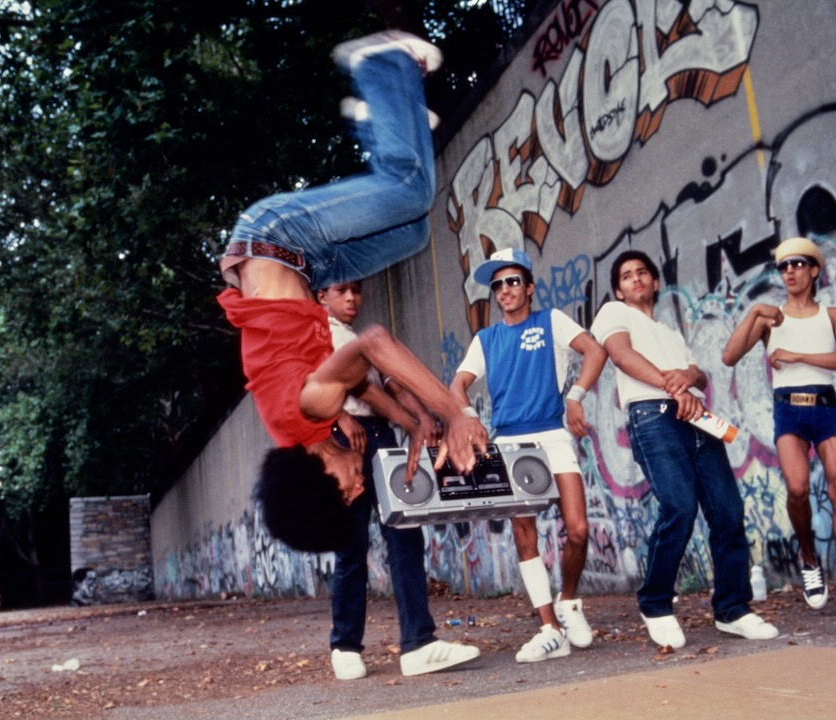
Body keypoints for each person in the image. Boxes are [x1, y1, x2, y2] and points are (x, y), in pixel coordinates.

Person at [216, 32, 486, 675]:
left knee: (411, 192)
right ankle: (384, 119)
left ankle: (380, 66)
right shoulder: (307, 424)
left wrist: (452, 410)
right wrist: (416, 420)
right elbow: (363, 378)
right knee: (414, 228)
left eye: (344, 489)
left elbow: (372, 343)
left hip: (276, 238)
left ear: (315, 477)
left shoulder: (305, 408)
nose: (358, 483)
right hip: (308, 267)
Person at [590, 250, 779, 649]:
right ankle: (655, 602)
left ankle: (732, 608)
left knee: (728, 511)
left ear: (656, 282)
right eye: (626, 276)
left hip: (698, 419)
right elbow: (622, 356)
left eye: (643, 272)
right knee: (678, 506)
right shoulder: (613, 314)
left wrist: (690, 377)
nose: (636, 279)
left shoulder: (673, 333)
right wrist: (675, 387)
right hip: (653, 416)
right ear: (619, 290)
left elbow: (702, 375)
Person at [449, 248, 607, 663]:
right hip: (509, 444)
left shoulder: (550, 320)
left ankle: (569, 602)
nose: (504, 290)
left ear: (529, 288)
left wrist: (575, 397)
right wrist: (468, 418)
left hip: (552, 433)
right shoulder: (486, 339)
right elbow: (457, 385)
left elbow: (595, 350)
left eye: (513, 281)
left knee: (577, 529)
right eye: (497, 284)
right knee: (525, 536)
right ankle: (549, 628)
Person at [318, 280, 479, 679]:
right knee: (351, 545)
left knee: (405, 534)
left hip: (382, 437)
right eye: (342, 291)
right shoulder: (311, 331)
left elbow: (389, 383)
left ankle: (418, 643)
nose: (352, 298)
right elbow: (313, 386)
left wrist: (423, 417)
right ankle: (345, 645)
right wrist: (337, 418)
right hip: (343, 439)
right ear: (321, 296)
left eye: (356, 290)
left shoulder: (357, 340)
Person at [720, 236, 836, 621]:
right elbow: (728, 356)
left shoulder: (834, 314)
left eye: (797, 264)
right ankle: (809, 558)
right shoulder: (771, 318)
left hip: (826, 407)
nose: (789, 271)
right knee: (797, 489)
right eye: (783, 266)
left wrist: (798, 356)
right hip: (788, 412)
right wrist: (755, 312)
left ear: (814, 270)